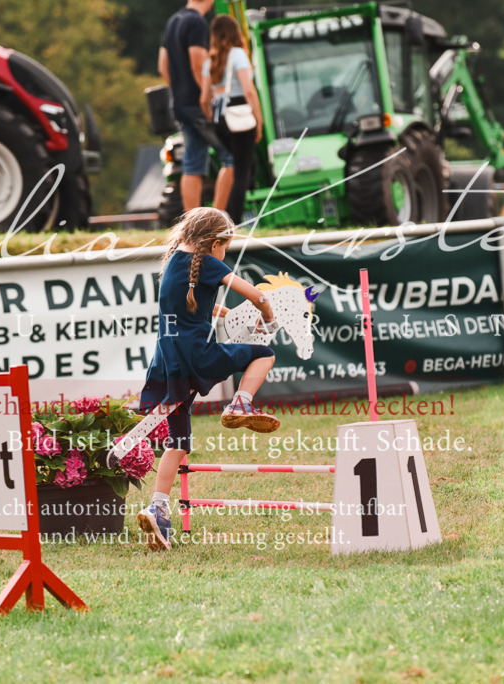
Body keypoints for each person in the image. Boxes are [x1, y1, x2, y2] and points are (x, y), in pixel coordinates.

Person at [136, 207, 280, 551]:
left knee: (179, 442)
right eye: (225, 247)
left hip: (167, 364)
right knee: (265, 354)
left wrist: (226, 312)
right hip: (196, 357)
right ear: (214, 242)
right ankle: (241, 403)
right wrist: (270, 321)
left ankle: (157, 509)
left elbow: (188, 305)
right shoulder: (210, 264)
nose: (225, 253)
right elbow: (259, 296)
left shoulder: (172, 261)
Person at [160, 0, 234, 213]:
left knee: (192, 164)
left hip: (181, 103)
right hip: (199, 104)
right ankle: (218, 220)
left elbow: (162, 65)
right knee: (232, 157)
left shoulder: (174, 21)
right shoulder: (196, 23)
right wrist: (208, 98)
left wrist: (180, 88)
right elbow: (198, 64)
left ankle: (192, 221)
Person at [201, 14, 263, 224]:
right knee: (241, 172)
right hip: (239, 115)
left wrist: (214, 118)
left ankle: (223, 215)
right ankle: (233, 222)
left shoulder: (211, 59)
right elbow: (249, 90)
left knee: (237, 165)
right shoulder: (237, 54)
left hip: (220, 118)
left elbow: (204, 99)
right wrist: (258, 118)